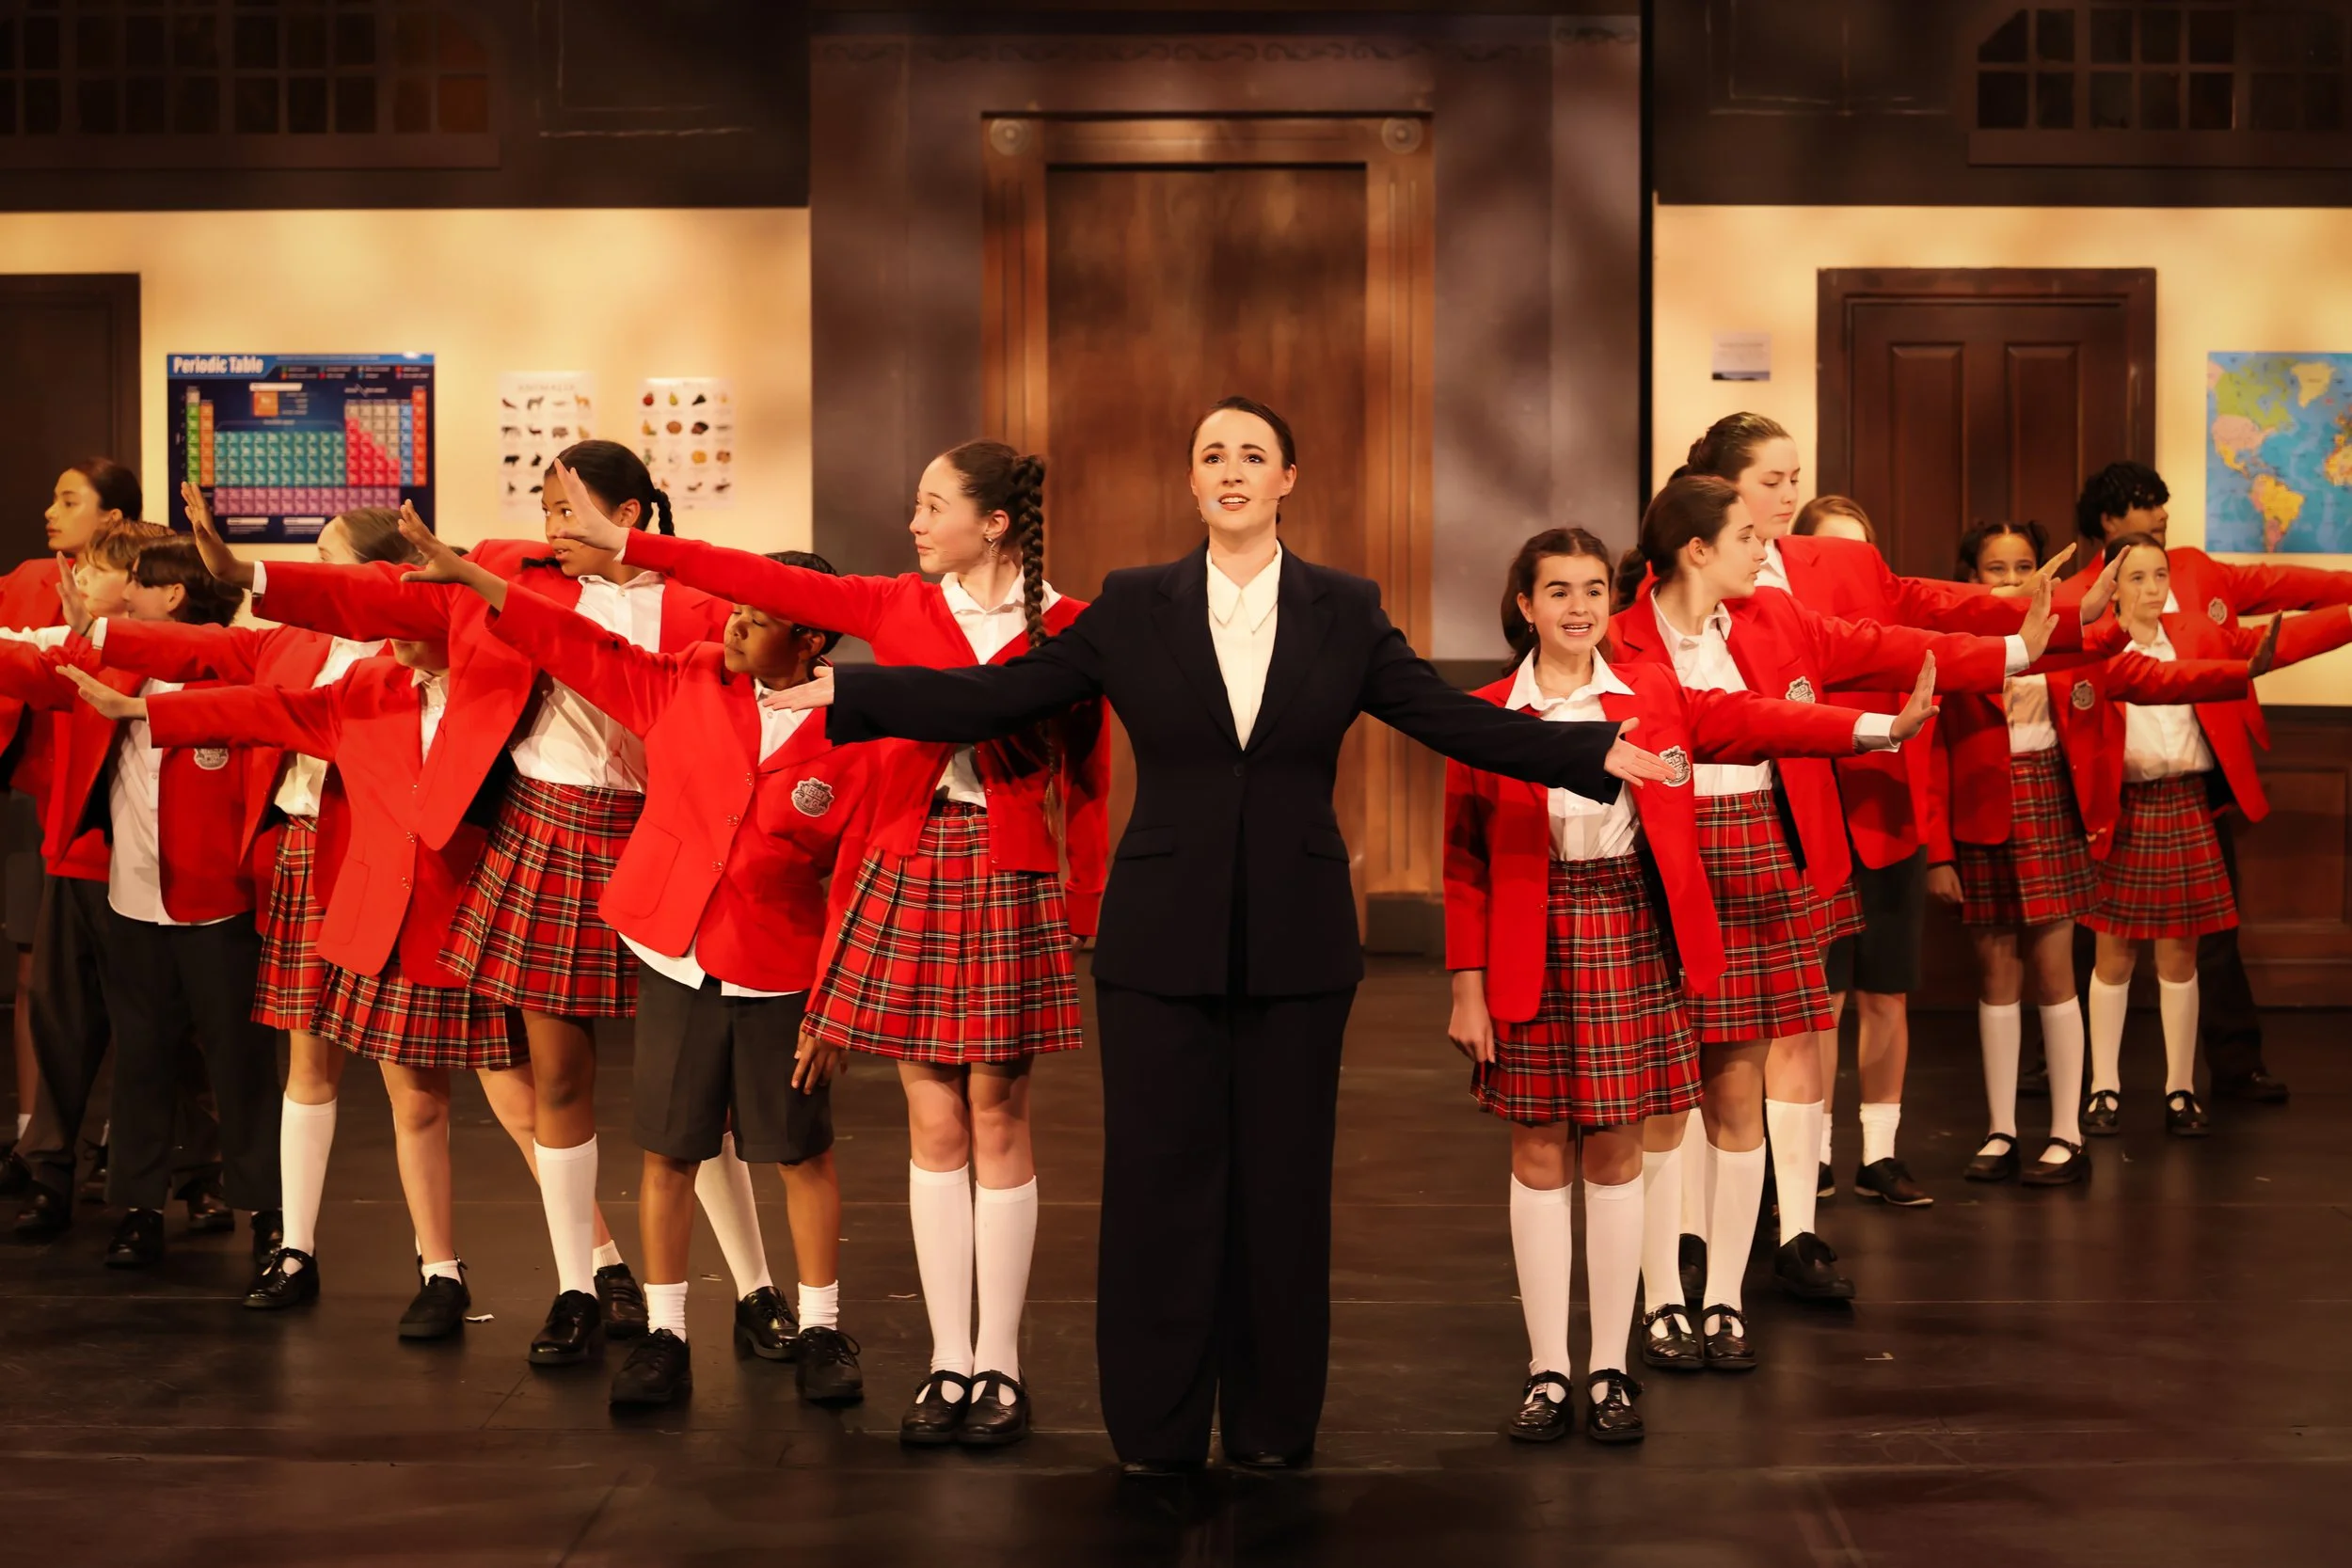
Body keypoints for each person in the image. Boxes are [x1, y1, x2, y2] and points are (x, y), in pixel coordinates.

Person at [759, 394, 1677, 1475]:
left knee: (1282, 1191)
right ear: (1191, 483)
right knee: (1158, 1185)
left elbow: (1445, 712)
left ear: (1289, 478)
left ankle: (1272, 1425)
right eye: (1212, 455)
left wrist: (1588, 751)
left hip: (1298, 943)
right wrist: (855, 692)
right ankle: (1154, 1425)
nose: (1232, 469)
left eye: (1253, 454)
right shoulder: (1136, 605)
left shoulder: (1344, 606)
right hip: (1160, 940)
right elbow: (999, 696)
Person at [548, 442, 1105, 1447]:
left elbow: (1091, 773)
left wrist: (1089, 906)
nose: (913, 520)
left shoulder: (1068, 626)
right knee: (933, 1118)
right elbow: (755, 578)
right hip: (908, 858)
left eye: (931, 503)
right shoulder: (900, 606)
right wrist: (630, 542)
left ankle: (1002, 1363)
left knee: (999, 1113)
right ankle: (946, 1357)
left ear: (993, 523)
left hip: (1008, 867)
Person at [181, 443, 735, 1365]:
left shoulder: (694, 598)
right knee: (551, 1081)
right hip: (543, 837)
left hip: (660, 838)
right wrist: (245, 570)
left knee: (699, 1091)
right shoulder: (504, 571)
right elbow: (378, 599)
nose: (552, 525)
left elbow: (772, 634)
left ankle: (757, 1290)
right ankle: (577, 1285)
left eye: (570, 508)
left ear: (632, 511)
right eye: (545, 505)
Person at [1443, 526, 1936, 1444]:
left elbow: (1764, 720)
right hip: (1531, 940)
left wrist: (1875, 727)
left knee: (1619, 1149)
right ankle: (1547, 1367)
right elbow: (1464, 862)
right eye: (1557, 591)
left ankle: (1609, 1367)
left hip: (1630, 934)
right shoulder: (1484, 715)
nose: (1578, 606)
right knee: (1539, 1152)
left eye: (1593, 588)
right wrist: (1466, 984)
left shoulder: (1656, 694)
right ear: (1525, 605)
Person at [402, 513, 874, 1412]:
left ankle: (821, 1325)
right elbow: (570, 641)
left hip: (778, 971)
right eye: (731, 605)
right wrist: (470, 574)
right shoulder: (690, 681)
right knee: (669, 1150)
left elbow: (853, 879)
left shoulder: (855, 732)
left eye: (756, 613)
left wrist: (837, 1005)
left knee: (800, 1152)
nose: (730, 622)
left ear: (809, 633)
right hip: (675, 953)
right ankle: (667, 1333)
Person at [1609, 475, 2042, 1334]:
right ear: (1698, 549)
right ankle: (1671, 1268)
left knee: (1752, 1067)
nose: (1766, 546)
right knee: (1668, 1077)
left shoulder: (1771, 618)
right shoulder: (1622, 639)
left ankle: (1752, 1266)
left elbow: (1888, 644)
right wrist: (1872, 728)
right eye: (1747, 529)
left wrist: (2015, 650)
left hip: (1763, 850)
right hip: (1660, 857)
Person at [65, 623, 577, 1339]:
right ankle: (313, 1249)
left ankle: (595, 1271)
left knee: (513, 1093)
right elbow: (255, 705)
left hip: (450, 886)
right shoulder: (332, 668)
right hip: (330, 866)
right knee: (326, 1070)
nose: (316, 585)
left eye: (333, 567)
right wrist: (131, 689)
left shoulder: (479, 676)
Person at [1684, 417, 2074, 1211]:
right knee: (1781, 1015)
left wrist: (2028, 621)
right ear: (1721, 491)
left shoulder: (1828, 572)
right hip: (1762, 820)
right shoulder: (1692, 593)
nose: (1789, 495)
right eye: (1773, 481)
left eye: (1796, 478)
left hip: (1870, 807)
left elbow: (1905, 625)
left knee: (1880, 991)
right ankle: (1763, 1183)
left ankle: (1841, 1174)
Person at [68, 494, 415, 1307]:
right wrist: (105, 633)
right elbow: (221, 656)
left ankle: (467, 1261)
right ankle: (282, 1234)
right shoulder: (289, 641)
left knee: (412, 1082)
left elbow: (262, 706)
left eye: (326, 558)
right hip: (278, 860)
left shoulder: (404, 658)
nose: (306, 575)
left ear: (380, 577)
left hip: (367, 861)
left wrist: (148, 706)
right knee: (277, 1061)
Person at [1927, 520, 2260, 1186]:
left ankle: (2065, 1132)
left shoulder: (2069, 638)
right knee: (1995, 974)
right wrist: (1937, 852)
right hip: (1983, 815)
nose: (2015, 579)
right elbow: (1932, 754)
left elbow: (2141, 670)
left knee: (2055, 970)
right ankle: (1999, 1129)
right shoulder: (1953, 648)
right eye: (1997, 568)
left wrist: (2256, 662)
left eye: (2026, 564)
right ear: (1969, 580)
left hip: (2051, 801)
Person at [0, 540, 281, 1276]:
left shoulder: (236, 660)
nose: (125, 595)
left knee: (239, 1063)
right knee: (144, 1058)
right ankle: (139, 1208)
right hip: (131, 895)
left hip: (222, 904)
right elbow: (30, 665)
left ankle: (273, 1213)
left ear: (172, 598)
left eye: (141, 586)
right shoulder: (105, 663)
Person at [2060, 462, 2352, 1106]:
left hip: (2198, 785)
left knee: (2202, 939)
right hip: (2114, 796)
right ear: (2109, 526)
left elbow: (2278, 593)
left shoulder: (2194, 579)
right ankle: (2085, 1077)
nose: (2162, 513)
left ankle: (2204, 1076)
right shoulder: (2078, 610)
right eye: (2145, 505)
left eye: (2164, 502)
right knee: (2098, 944)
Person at [1, 461, 146, 1203]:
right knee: (43, 980)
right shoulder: (29, 578)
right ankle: (41, 1140)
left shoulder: (152, 594)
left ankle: (141, 1146)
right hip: (46, 805)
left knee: (141, 995)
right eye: (53, 496)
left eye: (69, 499)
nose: (51, 511)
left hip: (126, 819)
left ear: (115, 519)